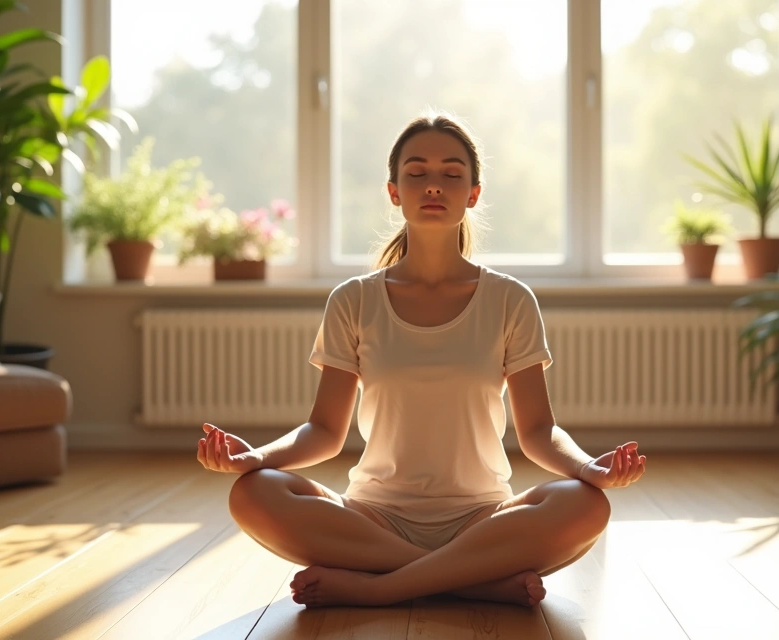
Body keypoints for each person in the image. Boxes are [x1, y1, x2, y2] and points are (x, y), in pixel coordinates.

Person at [196, 113, 646, 609]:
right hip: (373, 518)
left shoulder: (510, 299)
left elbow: (539, 432)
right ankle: (471, 581)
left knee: (585, 504)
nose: (434, 185)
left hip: (482, 519)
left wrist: (588, 467)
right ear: (394, 192)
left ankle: (380, 586)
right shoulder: (353, 300)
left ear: (473, 193)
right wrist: (255, 458)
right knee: (252, 492)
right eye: (417, 173)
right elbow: (324, 431)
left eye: (452, 173)